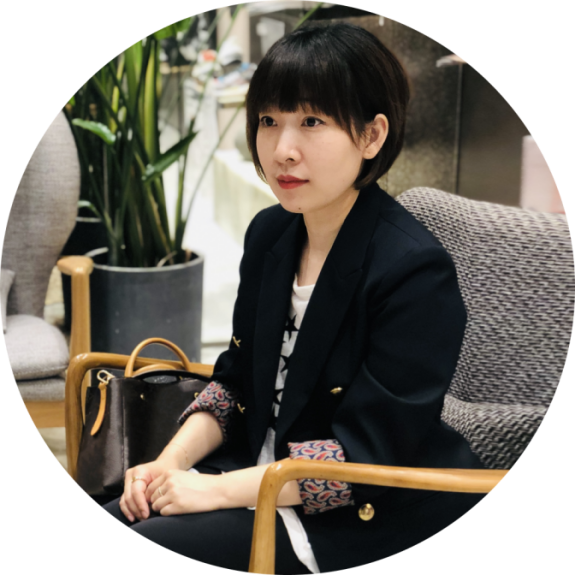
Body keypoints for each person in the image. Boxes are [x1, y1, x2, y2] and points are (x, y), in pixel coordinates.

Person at [102, 22, 487, 572]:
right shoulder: (270, 234)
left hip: (363, 515)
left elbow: (361, 457)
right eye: (269, 121)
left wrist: (212, 491)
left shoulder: (414, 271)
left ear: (372, 136)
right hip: (255, 475)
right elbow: (234, 385)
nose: (282, 150)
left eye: (311, 122)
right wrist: (168, 465)